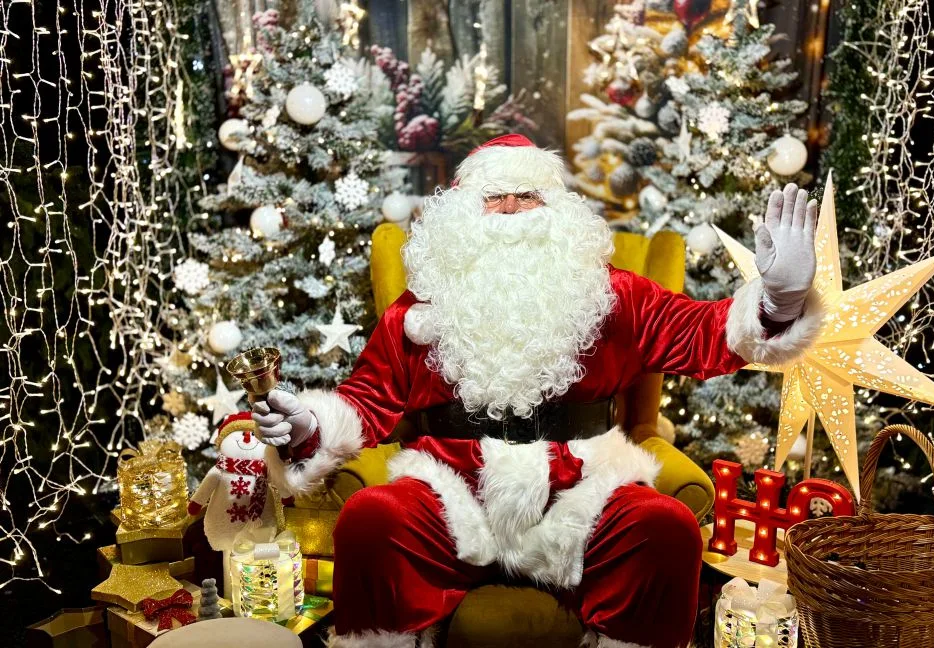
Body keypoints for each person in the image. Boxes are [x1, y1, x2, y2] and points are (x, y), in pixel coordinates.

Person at [253, 135, 822, 648]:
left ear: (556, 209)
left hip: (583, 487)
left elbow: (700, 334)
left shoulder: (613, 294)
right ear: (462, 214)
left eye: (526, 196)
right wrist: (310, 428)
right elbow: (368, 396)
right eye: (493, 197)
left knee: (664, 527)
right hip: (452, 489)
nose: (509, 209)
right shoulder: (421, 307)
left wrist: (776, 302)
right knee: (371, 517)